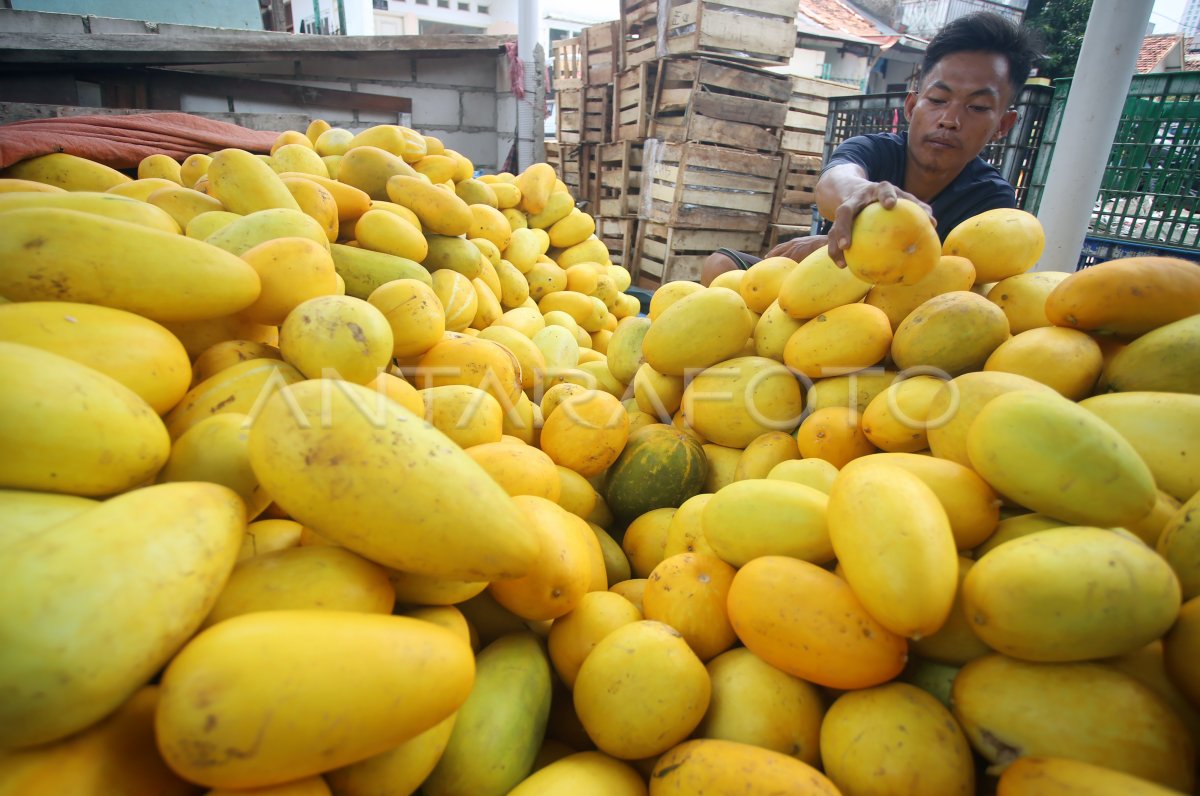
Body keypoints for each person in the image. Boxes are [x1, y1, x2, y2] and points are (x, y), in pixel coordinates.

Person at [700, 11, 1041, 285]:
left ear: (1002, 125)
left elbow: (955, 285)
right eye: (937, 100)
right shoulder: (873, 151)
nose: (950, 120)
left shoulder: (992, 203)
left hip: (903, 318)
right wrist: (863, 192)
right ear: (911, 107)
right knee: (722, 266)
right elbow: (835, 182)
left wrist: (846, 252)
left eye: (978, 107)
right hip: (823, 287)